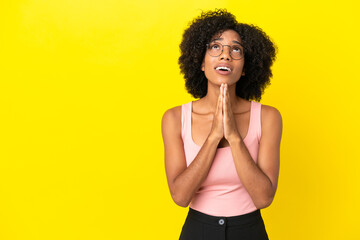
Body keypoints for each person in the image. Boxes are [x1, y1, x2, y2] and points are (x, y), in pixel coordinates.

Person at [161, 9, 282, 240]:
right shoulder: (175, 119)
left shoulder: (268, 117)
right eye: (215, 47)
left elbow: (264, 198)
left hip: (249, 230)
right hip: (198, 230)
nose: (225, 55)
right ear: (201, 62)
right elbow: (180, 197)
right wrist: (215, 135)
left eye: (236, 49)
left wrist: (234, 136)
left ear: (245, 67)